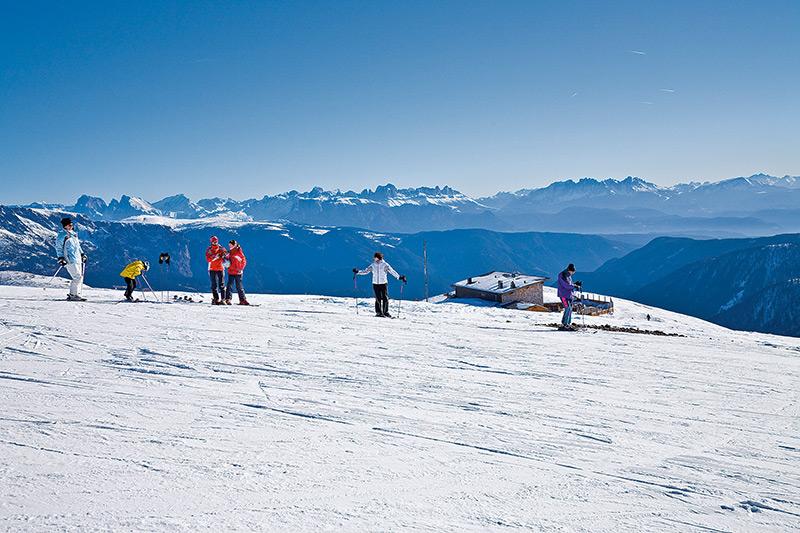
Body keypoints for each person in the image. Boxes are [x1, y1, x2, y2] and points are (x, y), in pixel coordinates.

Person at [354, 252, 406, 317]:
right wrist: (358, 272)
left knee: (385, 298)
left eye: (374, 257)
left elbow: (392, 271)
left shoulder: (385, 265)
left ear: (378, 257)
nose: (373, 258)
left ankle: (385, 312)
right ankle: (378, 312)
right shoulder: (373, 265)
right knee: (378, 298)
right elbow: (366, 271)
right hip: (375, 283)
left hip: (383, 283)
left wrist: (399, 277)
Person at [54, 217, 87, 301]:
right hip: (69, 259)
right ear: (65, 226)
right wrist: (61, 258)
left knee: (80, 277)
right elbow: (58, 247)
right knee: (77, 277)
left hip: (77, 258)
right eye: (70, 224)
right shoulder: (62, 235)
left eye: (72, 224)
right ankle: (73, 295)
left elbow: (77, 246)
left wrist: (82, 254)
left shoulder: (74, 234)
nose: (72, 226)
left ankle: (76, 294)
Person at [224, 240, 249, 305]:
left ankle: (243, 300)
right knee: (229, 286)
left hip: (238, 272)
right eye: (229, 245)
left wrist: (241, 268)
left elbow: (244, 261)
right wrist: (225, 262)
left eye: (231, 245)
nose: (230, 246)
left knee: (239, 286)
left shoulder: (239, 252)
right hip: (231, 272)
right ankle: (228, 299)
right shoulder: (229, 253)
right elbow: (225, 259)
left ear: (234, 245)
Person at [557, 263, 580, 330]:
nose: (572, 273)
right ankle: (565, 324)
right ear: (569, 270)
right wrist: (574, 286)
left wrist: (575, 284)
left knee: (570, 309)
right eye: (572, 272)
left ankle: (567, 324)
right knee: (568, 308)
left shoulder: (568, 275)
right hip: (563, 295)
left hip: (569, 295)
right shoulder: (563, 275)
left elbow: (569, 284)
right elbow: (565, 285)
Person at [206, 236, 227, 305]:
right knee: (214, 285)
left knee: (222, 285)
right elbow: (208, 259)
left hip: (220, 268)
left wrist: (223, 255)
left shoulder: (221, 248)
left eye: (216, 241)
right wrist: (215, 256)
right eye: (213, 241)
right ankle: (216, 299)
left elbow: (226, 255)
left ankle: (223, 299)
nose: (215, 242)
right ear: (211, 241)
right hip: (212, 269)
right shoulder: (209, 249)